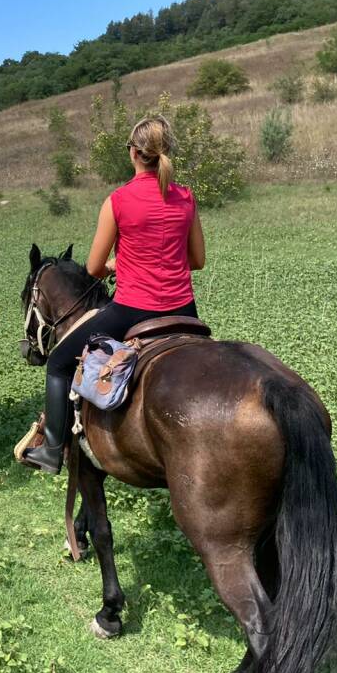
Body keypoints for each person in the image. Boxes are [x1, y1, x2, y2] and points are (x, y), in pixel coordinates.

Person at [21, 115, 206, 475]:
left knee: (59, 364)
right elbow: (197, 260)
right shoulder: (185, 197)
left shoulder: (118, 200)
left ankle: (52, 450)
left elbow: (92, 268)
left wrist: (115, 264)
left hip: (133, 310)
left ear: (134, 153)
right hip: (185, 308)